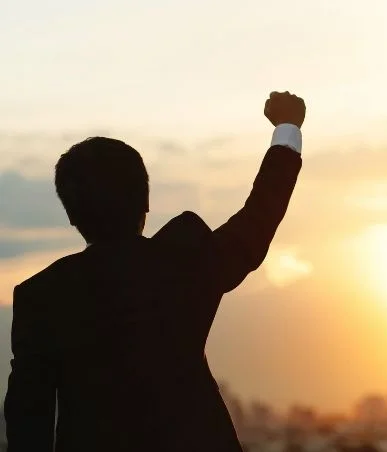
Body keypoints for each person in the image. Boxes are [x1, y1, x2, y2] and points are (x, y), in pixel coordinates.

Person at [3, 91, 306, 452]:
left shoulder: (40, 296)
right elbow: (256, 221)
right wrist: (288, 129)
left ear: (71, 215)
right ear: (145, 201)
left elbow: (27, 420)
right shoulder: (183, 259)